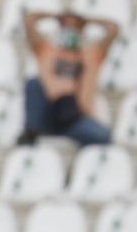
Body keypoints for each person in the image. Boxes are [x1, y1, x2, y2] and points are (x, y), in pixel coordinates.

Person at [19, 9, 119, 146]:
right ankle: (32, 132)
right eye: (67, 26)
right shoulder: (47, 51)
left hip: (74, 119)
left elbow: (113, 29)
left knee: (103, 136)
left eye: (75, 27)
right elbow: (29, 20)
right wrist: (56, 16)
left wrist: (86, 21)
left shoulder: (91, 56)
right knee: (33, 83)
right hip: (49, 113)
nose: (71, 30)